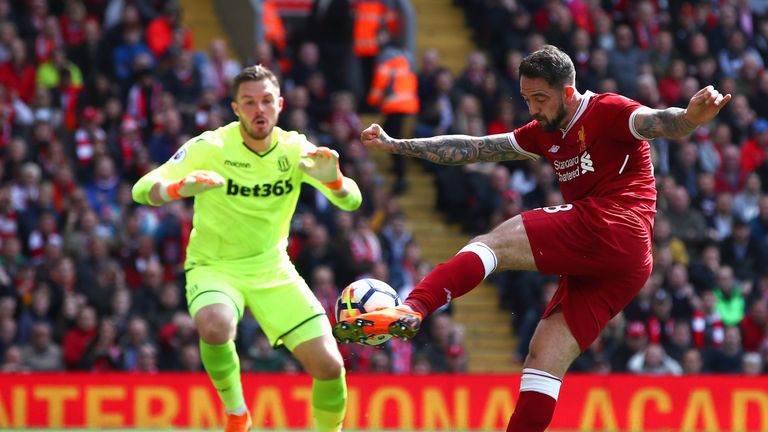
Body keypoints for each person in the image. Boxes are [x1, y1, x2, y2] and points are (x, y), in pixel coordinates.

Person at [334, 45, 731, 431]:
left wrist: (691, 118)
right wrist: (397, 145)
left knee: (495, 243)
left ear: (568, 92)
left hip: (615, 224)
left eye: (540, 99)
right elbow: (475, 148)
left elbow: (662, 121)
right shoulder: (544, 131)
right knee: (542, 358)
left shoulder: (608, 110)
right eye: (527, 99)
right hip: (625, 265)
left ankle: (415, 307)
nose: (534, 109)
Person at [132, 65, 360, 432]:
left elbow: (352, 201)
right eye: (249, 102)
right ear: (235, 108)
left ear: (280, 105)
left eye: (267, 101)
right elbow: (142, 188)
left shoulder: (295, 149)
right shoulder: (211, 146)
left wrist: (334, 182)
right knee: (215, 324)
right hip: (214, 266)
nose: (259, 110)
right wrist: (176, 189)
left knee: (330, 367)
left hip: (273, 269)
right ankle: (237, 415)